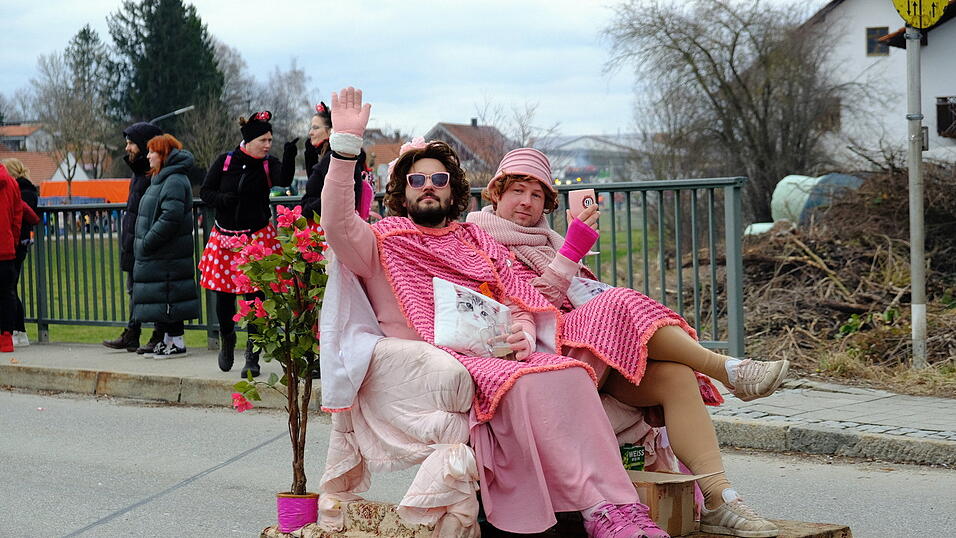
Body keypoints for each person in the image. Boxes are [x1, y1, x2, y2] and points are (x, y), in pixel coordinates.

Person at [322, 87, 669, 538]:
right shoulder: (379, 241)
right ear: (402, 191)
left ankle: (614, 510)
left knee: (565, 370)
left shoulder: (474, 240)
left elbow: (515, 298)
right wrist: (345, 147)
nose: (429, 186)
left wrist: (523, 333)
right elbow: (336, 221)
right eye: (417, 180)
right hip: (431, 358)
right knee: (524, 382)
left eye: (440, 180)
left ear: (454, 191)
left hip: (495, 351)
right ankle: (596, 507)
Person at [466, 147, 783, 537]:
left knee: (675, 377)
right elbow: (526, 304)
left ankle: (721, 499)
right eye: (517, 190)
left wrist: (571, 255)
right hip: (540, 361)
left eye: (537, 195)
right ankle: (726, 369)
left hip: (589, 355)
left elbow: (576, 294)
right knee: (618, 301)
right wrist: (572, 251)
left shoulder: (546, 240)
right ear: (496, 193)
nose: (526, 203)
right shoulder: (476, 239)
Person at [199, 111, 293, 378]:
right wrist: (222, 199)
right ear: (249, 140)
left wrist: (289, 154)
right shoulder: (225, 161)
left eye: (270, 140)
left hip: (256, 238)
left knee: (255, 300)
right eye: (263, 140)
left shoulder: (267, 164)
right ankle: (228, 339)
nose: (267, 145)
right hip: (225, 239)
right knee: (224, 300)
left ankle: (252, 356)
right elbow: (205, 192)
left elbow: (284, 180)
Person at [130, 134, 201, 357]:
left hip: (168, 253)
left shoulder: (174, 180)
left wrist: (148, 241)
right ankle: (169, 339)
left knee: (171, 295)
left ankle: (177, 341)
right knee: (166, 296)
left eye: (153, 151)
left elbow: (170, 218)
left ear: (164, 155)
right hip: (162, 253)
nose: (148, 155)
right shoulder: (163, 178)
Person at [103, 122, 164, 354]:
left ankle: (159, 333)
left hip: (145, 240)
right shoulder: (139, 172)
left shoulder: (152, 174)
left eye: (131, 143)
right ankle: (132, 332)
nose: (126, 147)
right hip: (133, 240)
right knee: (134, 289)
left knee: (153, 289)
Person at [1, 158, 39, 347]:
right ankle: (11, 332)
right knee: (10, 289)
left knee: (10, 289)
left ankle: (17, 329)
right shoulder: (19, 189)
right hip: (11, 244)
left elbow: (25, 214)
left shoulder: (20, 189)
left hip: (14, 245)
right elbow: (25, 215)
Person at [0, 163, 24, 352]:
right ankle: (6, 338)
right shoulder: (11, 183)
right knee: (7, 293)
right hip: (5, 248)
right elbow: (18, 216)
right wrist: (13, 241)